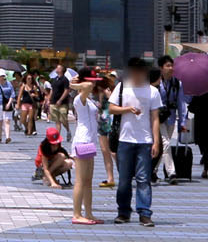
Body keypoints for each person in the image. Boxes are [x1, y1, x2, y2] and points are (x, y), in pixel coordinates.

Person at [109, 56, 165, 227]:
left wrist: (156, 142)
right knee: (124, 179)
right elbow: (111, 108)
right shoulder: (121, 87)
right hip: (125, 139)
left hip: (145, 141)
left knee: (143, 179)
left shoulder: (152, 91)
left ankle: (144, 213)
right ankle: (123, 212)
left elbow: (155, 118)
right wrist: (127, 109)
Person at [66, 77, 106, 225]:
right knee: (80, 180)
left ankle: (88, 212)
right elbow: (88, 85)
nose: (93, 84)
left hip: (90, 141)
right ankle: (77, 214)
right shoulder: (79, 99)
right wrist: (74, 84)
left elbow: (90, 86)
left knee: (88, 181)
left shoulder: (88, 100)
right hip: (82, 141)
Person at [159, 61, 191, 184]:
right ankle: (172, 172)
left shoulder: (177, 83)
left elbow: (181, 103)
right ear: (161, 68)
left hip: (171, 118)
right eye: (167, 65)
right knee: (166, 143)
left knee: (163, 146)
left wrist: (182, 122)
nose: (171, 68)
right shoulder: (157, 83)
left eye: (172, 66)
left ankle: (154, 171)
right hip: (157, 119)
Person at [0, 73, 18, 143]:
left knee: (7, 121)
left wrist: (9, 103)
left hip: (7, 104)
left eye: (3, 76)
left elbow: (12, 94)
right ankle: (0, 137)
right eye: (1, 76)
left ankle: (7, 137)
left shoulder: (9, 84)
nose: (2, 77)